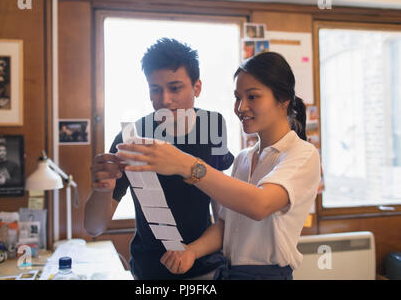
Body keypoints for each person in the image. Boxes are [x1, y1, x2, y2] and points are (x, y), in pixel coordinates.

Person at [116, 52, 322, 280]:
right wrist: (191, 252)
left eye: (252, 97)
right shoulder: (244, 158)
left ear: (283, 99)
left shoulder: (302, 154)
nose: (241, 107)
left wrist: (184, 164)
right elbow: (226, 223)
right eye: (237, 97)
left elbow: (260, 204)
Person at [84, 38, 234, 280]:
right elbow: (94, 227)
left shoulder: (214, 125)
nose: (164, 100)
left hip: (206, 265)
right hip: (150, 271)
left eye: (175, 88)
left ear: (197, 87)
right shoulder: (131, 137)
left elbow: (220, 201)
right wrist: (102, 189)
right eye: (155, 89)